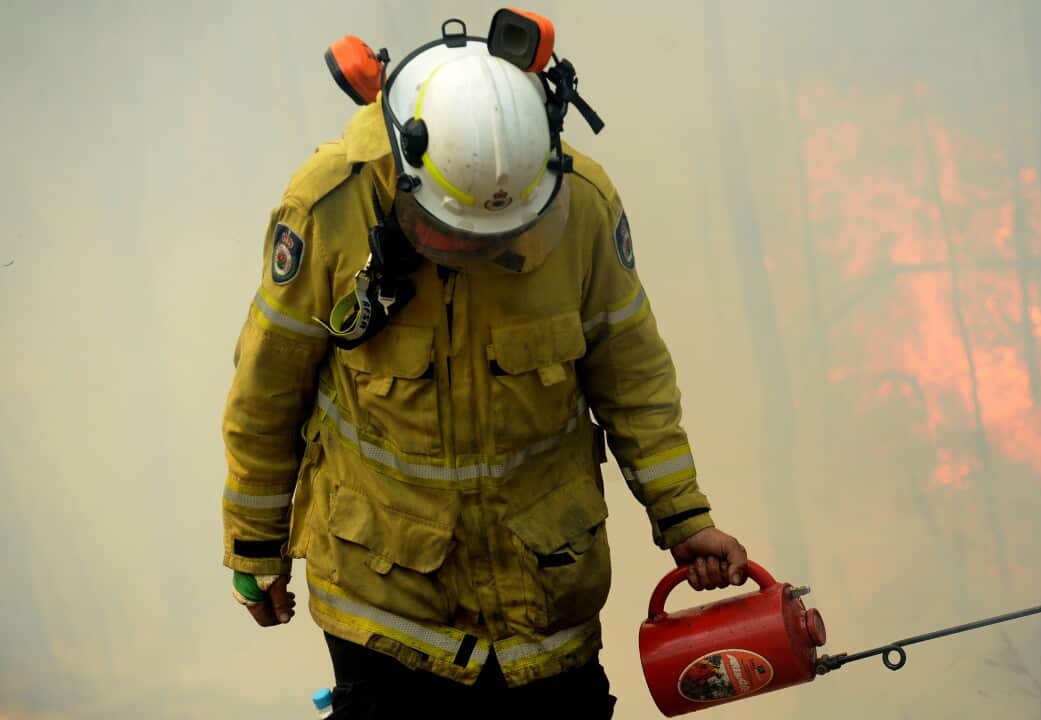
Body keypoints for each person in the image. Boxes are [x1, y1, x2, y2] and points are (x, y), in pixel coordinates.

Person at [220, 12, 750, 718]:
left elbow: (636, 383)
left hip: (547, 607)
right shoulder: (330, 206)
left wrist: (684, 517)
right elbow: (267, 391)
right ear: (405, 176)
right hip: (386, 605)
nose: (470, 251)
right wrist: (254, 549)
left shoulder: (583, 206)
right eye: (450, 230)